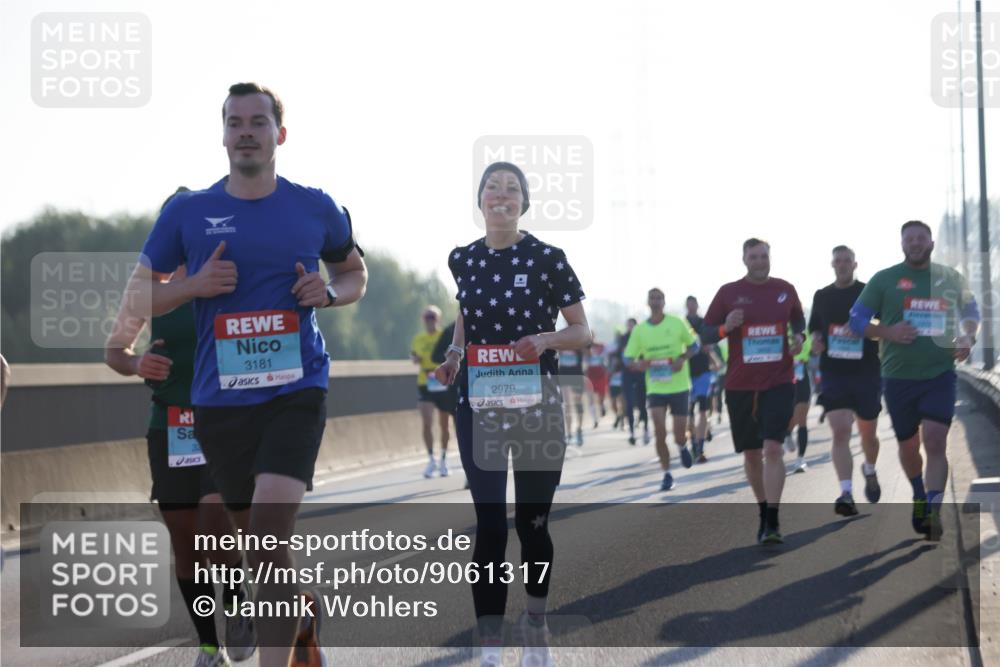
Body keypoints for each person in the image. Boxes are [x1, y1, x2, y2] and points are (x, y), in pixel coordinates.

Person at [138, 83, 368, 667]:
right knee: (259, 550)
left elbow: (354, 272)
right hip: (220, 402)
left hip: (297, 390)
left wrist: (331, 293)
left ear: (278, 135)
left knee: (266, 530)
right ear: (223, 135)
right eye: (235, 122)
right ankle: (302, 618)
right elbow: (140, 294)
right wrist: (190, 286)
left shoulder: (315, 206)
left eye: (258, 122)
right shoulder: (187, 212)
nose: (246, 131)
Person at [434, 161, 591, 667]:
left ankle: (537, 622)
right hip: (479, 405)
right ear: (479, 200)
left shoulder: (548, 258)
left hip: (537, 405)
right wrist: (456, 354)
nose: (501, 195)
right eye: (492, 187)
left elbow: (582, 331)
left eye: (512, 189)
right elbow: (466, 314)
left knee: (533, 524)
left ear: (524, 203)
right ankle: (489, 647)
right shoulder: (463, 259)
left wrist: (544, 339)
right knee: (490, 528)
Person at [106, 187, 253, 667]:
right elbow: (115, 351)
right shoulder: (153, 293)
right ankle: (208, 645)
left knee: (214, 524)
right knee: (186, 544)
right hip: (169, 427)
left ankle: (237, 606)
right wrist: (136, 364)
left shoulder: (226, 278)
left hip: (223, 424)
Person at [849, 220, 979, 540]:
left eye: (922, 238)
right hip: (898, 378)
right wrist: (887, 331)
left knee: (935, 441)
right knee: (909, 448)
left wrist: (968, 336)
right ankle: (919, 494)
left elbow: (972, 310)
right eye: (910, 239)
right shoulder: (884, 280)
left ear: (931, 243)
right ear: (902, 244)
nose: (916, 243)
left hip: (940, 374)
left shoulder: (950, 278)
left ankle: (933, 510)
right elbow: (856, 320)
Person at [702, 238, 806, 544]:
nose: (760, 261)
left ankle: (772, 519)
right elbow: (706, 333)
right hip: (740, 384)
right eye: (754, 257)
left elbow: (798, 318)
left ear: (769, 257)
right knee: (751, 454)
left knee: (772, 448)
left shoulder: (784, 289)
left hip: (779, 380)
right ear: (744, 260)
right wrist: (725, 327)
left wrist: (798, 336)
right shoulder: (728, 293)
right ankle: (763, 510)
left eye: (764, 256)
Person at [808, 245, 883, 517]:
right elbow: (814, 328)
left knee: (868, 435)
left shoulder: (869, 293)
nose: (842, 265)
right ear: (832, 264)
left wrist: (865, 331)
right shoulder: (822, 295)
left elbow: (882, 327)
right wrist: (815, 340)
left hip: (866, 372)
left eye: (846, 260)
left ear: (855, 264)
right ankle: (846, 492)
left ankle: (870, 469)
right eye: (837, 261)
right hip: (834, 372)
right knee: (840, 432)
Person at [624, 288, 700, 491]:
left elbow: (695, 346)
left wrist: (682, 359)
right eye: (652, 298)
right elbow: (627, 357)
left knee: (678, 434)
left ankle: (683, 445)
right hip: (656, 388)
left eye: (659, 298)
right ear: (647, 302)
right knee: (659, 432)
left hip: (679, 386)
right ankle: (667, 474)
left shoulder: (677, 323)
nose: (656, 302)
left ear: (664, 302)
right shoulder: (640, 330)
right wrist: (637, 364)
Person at [410, 305, 451, 477]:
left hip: (443, 382)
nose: (429, 320)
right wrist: (415, 358)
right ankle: (431, 459)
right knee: (427, 421)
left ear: (438, 319)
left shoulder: (444, 336)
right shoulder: (418, 338)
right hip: (425, 382)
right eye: (427, 317)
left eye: (432, 317)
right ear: (422, 320)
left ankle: (443, 459)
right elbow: (414, 358)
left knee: (444, 424)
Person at [684, 296, 714, 463]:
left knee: (703, 410)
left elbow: (710, 343)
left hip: (703, 371)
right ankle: (693, 442)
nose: (691, 307)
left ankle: (700, 446)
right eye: (688, 305)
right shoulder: (682, 323)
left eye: (693, 304)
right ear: (686, 306)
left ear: (697, 305)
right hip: (686, 373)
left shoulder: (705, 323)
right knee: (688, 413)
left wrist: (707, 347)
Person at [785, 334, 813, 473]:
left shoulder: (803, 328)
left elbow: (811, 347)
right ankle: (787, 433)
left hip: (801, 375)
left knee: (801, 417)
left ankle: (800, 459)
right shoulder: (776, 321)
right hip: (781, 375)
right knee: (788, 415)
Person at [621, 318, 651, 445]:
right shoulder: (623, 338)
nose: (630, 327)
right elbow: (623, 356)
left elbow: (646, 355)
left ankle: (645, 430)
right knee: (628, 404)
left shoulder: (642, 336)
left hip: (640, 374)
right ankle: (632, 433)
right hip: (627, 375)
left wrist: (639, 365)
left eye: (632, 325)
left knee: (642, 404)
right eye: (628, 325)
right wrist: (632, 364)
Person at [559, 344, 587, 446]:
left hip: (577, 374)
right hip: (564, 374)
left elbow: (588, 352)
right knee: (567, 404)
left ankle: (579, 430)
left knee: (578, 403)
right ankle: (569, 433)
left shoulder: (578, 341)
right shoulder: (561, 342)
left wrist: (577, 347)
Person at [585, 341, 609, 427]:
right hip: (590, 376)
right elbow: (584, 363)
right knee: (590, 399)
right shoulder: (584, 349)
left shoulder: (601, 346)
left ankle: (602, 405)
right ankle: (595, 419)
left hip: (601, 375)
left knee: (601, 397)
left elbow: (606, 359)